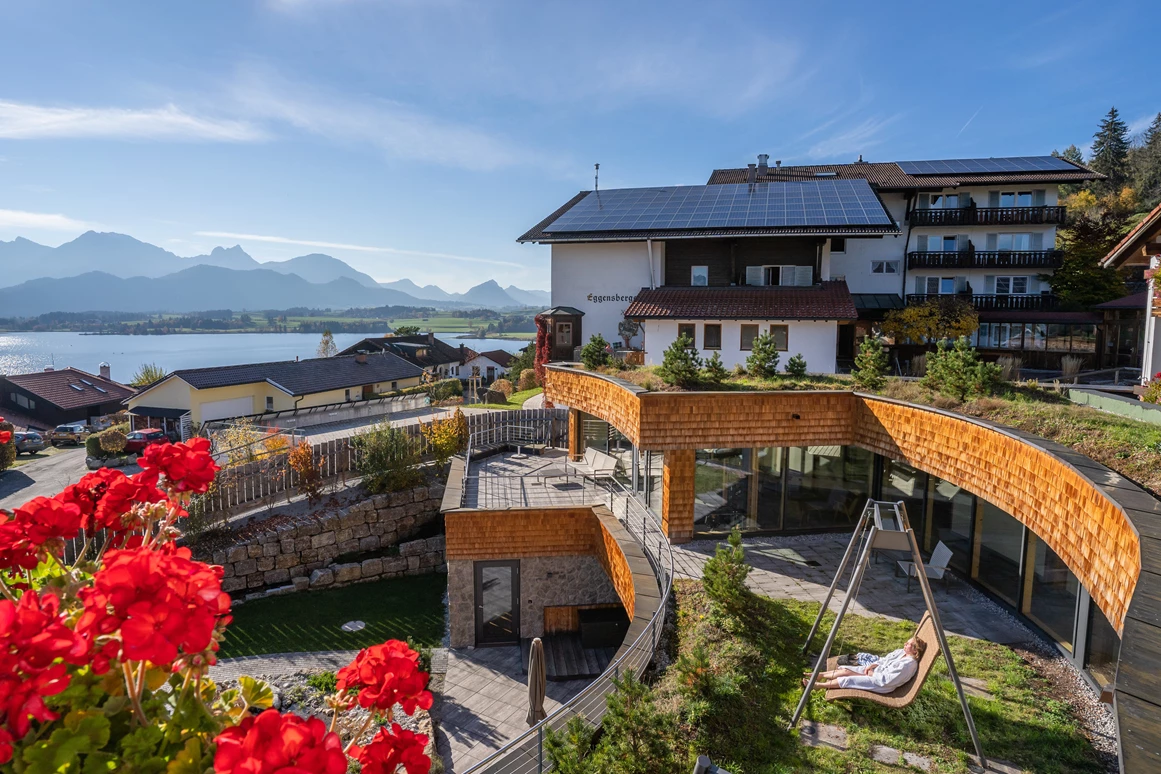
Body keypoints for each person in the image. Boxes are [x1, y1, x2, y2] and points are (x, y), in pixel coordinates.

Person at [803, 635, 926, 694]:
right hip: (877, 671)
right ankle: (820, 675)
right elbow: (884, 659)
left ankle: (819, 685)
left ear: (915, 650)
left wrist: (872, 674)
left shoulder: (907, 665)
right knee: (846, 670)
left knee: (848, 679)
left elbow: (888, 680)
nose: (905, 643)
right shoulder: (901, 652)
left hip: (880, 683)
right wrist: (873, 665)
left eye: (908, 643)